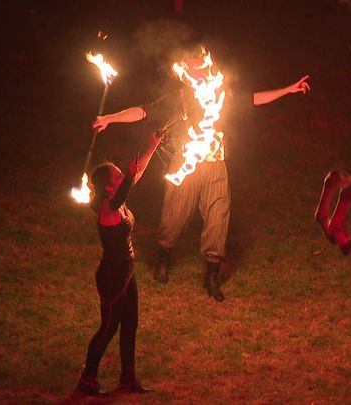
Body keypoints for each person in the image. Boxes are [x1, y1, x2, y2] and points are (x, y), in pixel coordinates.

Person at [93, 48, 311, 301]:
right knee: (174, 214)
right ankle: (163, 259)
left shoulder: (220, 94)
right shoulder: (179, 98)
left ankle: (211, 276)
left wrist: (287, 89)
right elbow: (143, 111)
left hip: (215, 164)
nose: (201, 72)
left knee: (219, 216)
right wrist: (110, 118)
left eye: (204, 67)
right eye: (195, 68)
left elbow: (252, 98)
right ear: (186, 72)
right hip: (184, 164)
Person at [77, 131, 161, 396]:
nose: (122, 176)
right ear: (109, 186)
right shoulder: (108, 209)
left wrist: (153, 147)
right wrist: (130, 170)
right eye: (117, 175)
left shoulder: (118, 201)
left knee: (131, 324)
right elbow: (125, 187)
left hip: (127, 271)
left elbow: (133, 178)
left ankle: (128, 378)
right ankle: (87, 379)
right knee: (109, 328)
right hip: (112, 276)